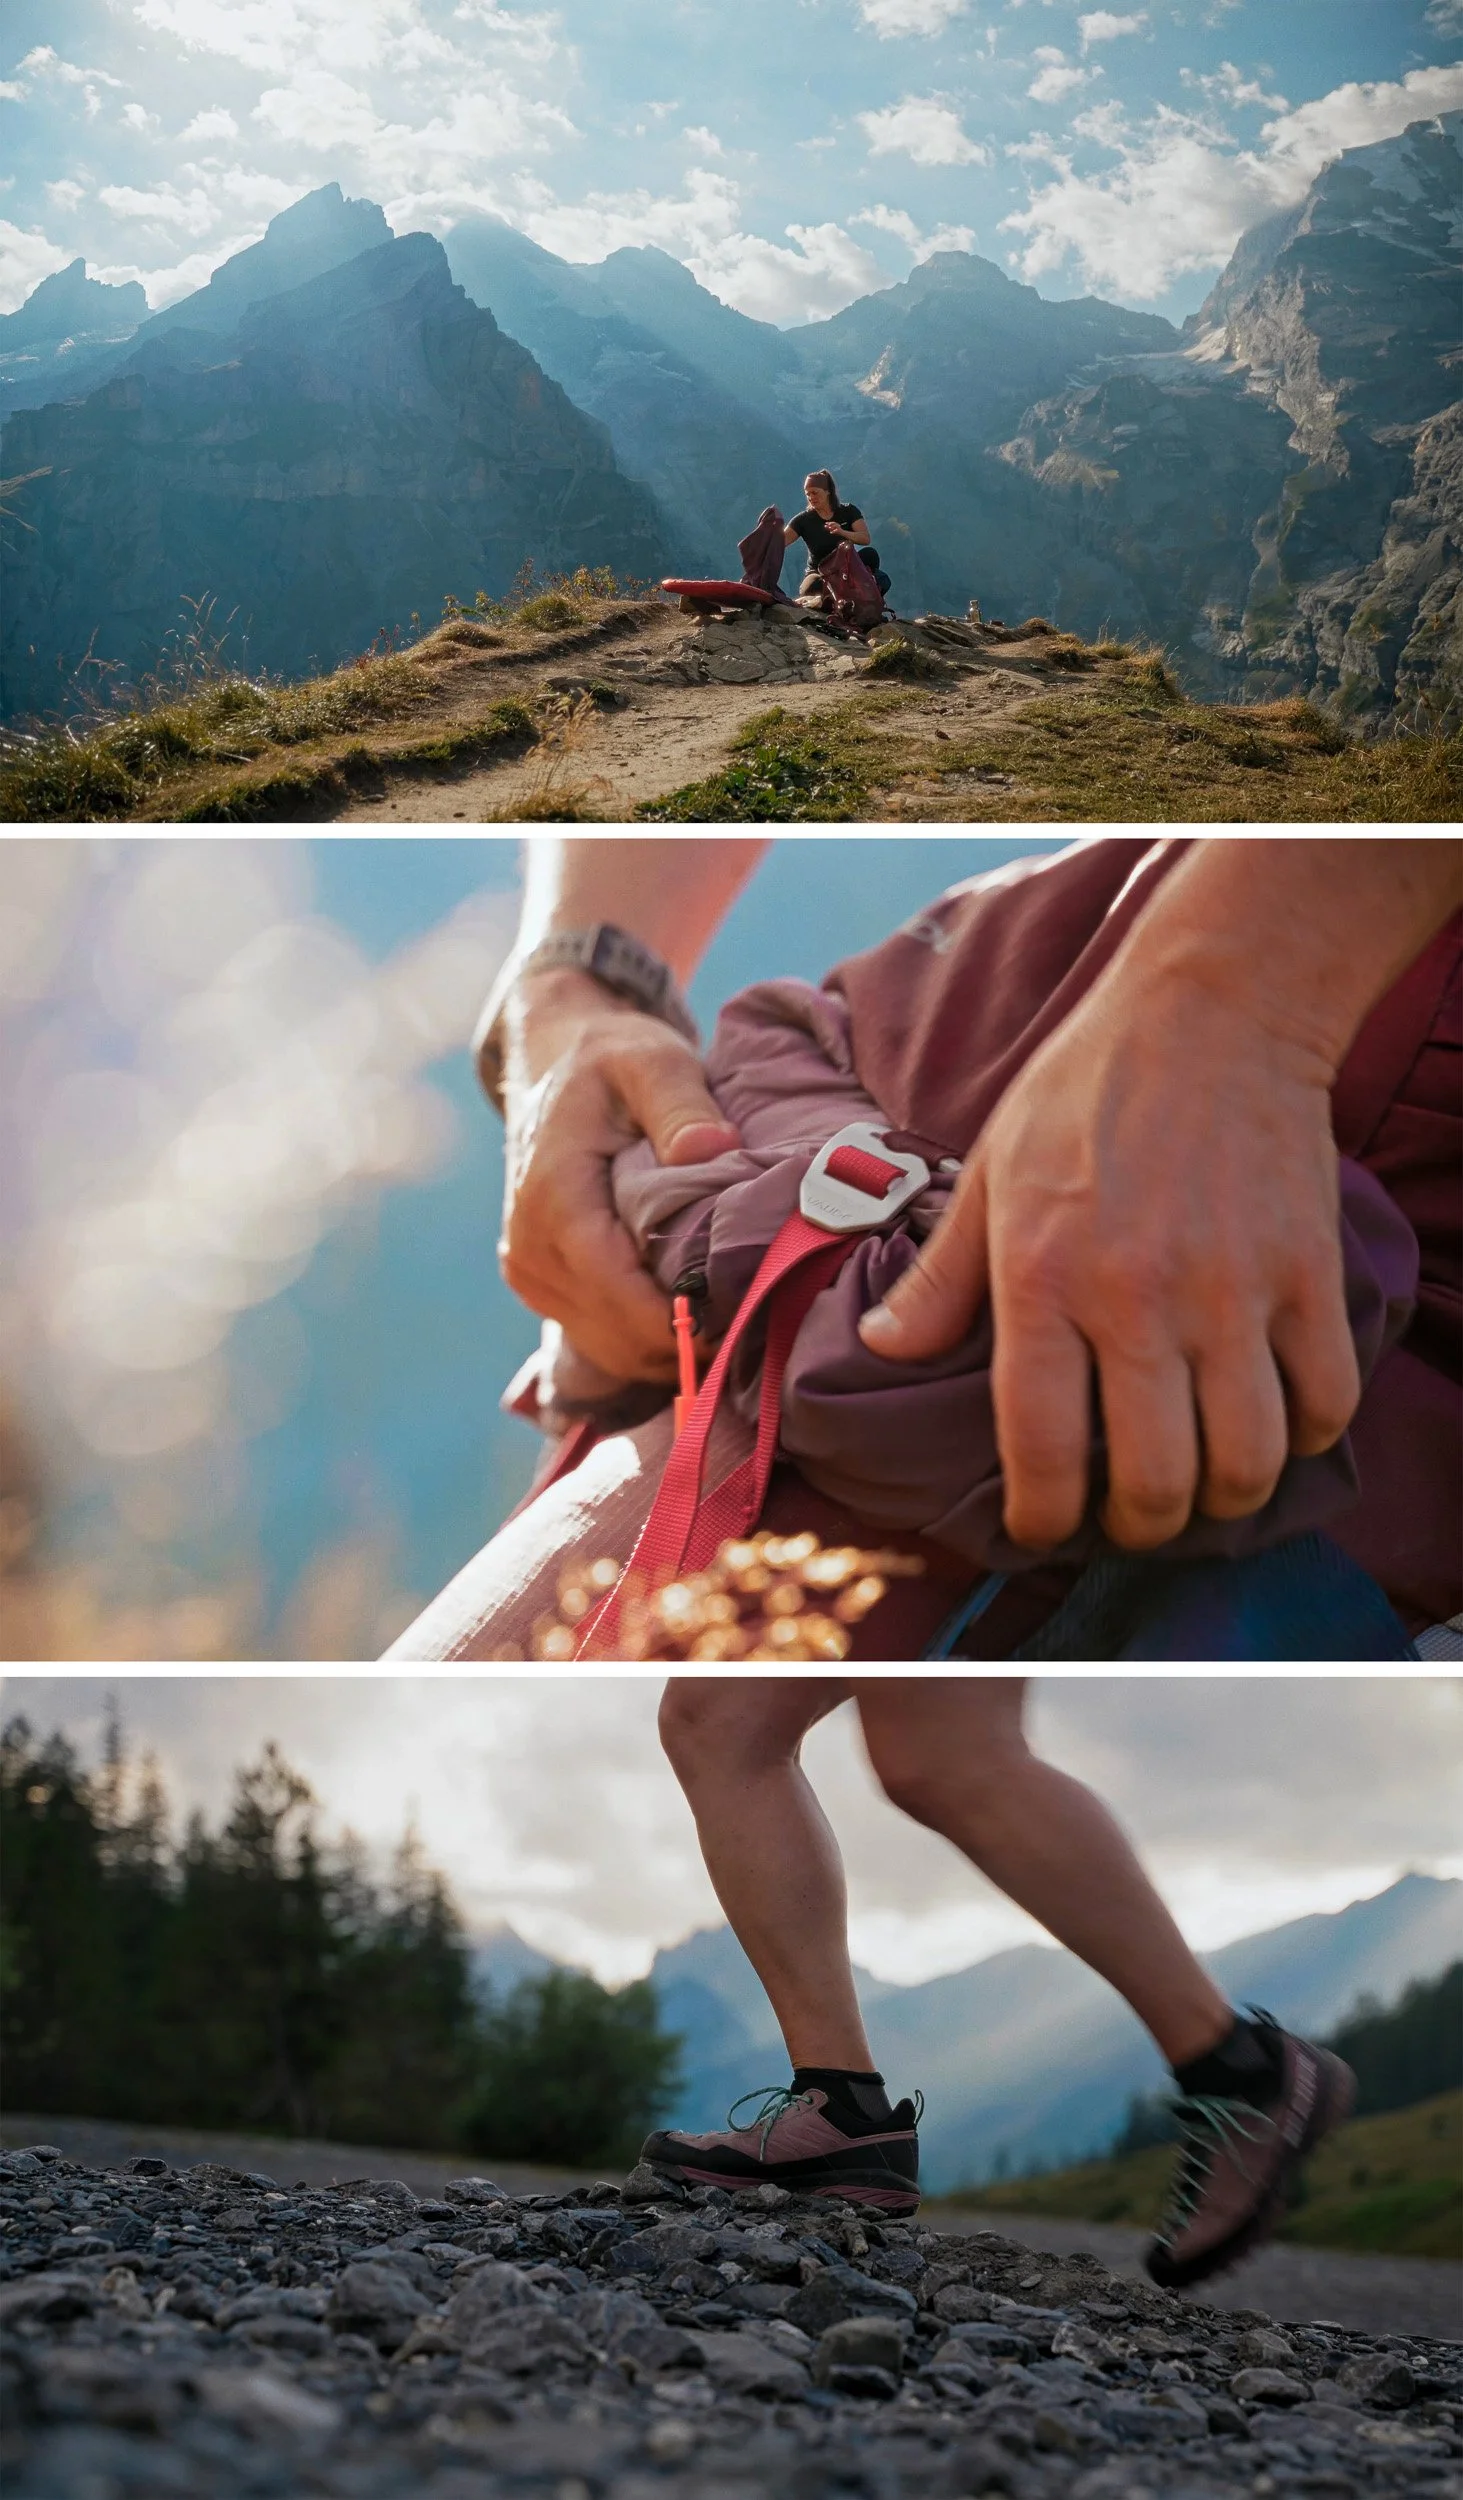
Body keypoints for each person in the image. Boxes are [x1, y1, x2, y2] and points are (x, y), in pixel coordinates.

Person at [387, 832, 1460, 2274]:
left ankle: (844, 2116)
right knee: (939, 1755)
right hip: (1007, 1011)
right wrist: (578, 971)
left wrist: (1241, 996)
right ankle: (1234, 2069)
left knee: (713, 1716)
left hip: (1245, 1102)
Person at [785, 469, 891, 602]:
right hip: (820, 572)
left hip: (847, 568)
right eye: (808, 494)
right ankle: (851, 595)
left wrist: (842, 532)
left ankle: (854, 596)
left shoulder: (848, 511)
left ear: (828, 491)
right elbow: (779, 542)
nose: (811, 497)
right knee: (811, 587)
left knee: (872, 558)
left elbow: (865, 538)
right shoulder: (803, 520)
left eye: (815, 493)